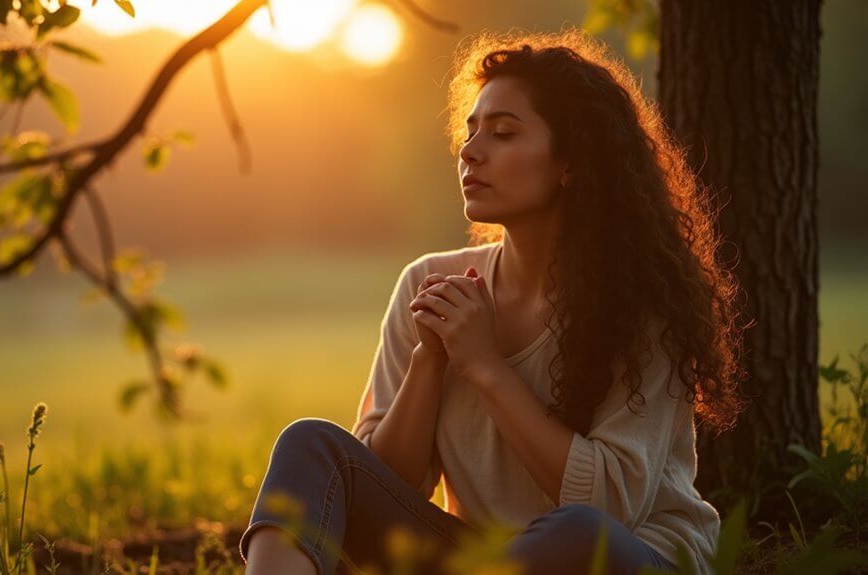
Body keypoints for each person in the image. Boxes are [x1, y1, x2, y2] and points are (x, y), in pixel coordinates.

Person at [238, 27, 749, 575]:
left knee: (576, 532)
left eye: (503, 133)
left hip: (625, 556)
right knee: (312, 445)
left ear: (570, 162)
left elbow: (610, 507)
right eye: (470, 130)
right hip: (481, 561)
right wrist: (430, 360)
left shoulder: (642, 306)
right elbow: (381, 482)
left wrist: (484, 365)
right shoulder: (429, 285)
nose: (470, 151)